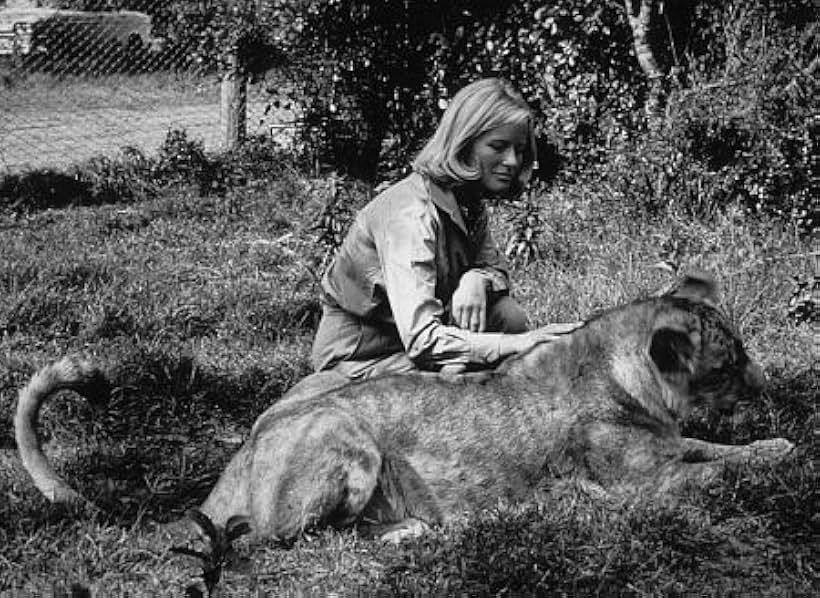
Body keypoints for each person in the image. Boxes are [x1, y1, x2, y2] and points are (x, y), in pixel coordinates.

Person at [308, 77, 577, 382]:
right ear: (463, 144)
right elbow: (423, 339)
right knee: (473, 371)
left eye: (519, 149)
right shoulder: (410, 216)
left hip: (407, 346)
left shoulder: (466, 201)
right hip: (359, 360)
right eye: (498, 147)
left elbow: (496, 270)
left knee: (506, 314)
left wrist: (477, 279)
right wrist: (514, 344)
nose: (512, 161)